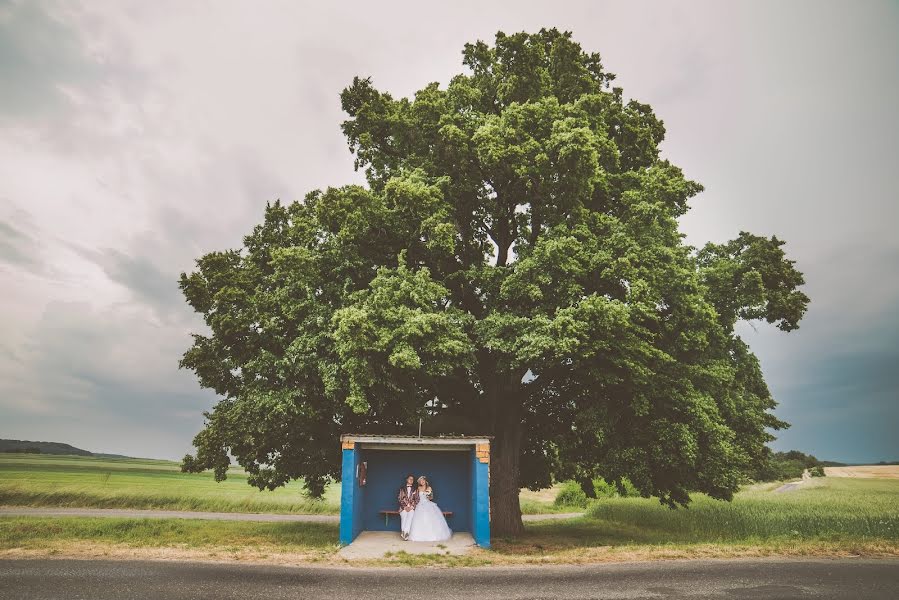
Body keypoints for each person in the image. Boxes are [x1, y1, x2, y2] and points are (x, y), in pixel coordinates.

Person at [407, 475, 452, 542]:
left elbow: (431, 498)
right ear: (419, 482)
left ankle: (432, 535)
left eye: (423, 480)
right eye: (420, 481)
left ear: (425, 481)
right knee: (419, 519)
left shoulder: (429, 488)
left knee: (430, 518)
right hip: (420, 504)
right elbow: (416, 497)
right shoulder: (418, 488)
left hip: (428, 503)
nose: (422, 482)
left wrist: (429, 495)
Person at [397, 474, 418, 540]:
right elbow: (400, 498)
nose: (411, 480)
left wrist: (411, 506)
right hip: (403, 507)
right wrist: (405, 507)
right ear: (407, 480)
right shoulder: (402, 488)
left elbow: (417, 499)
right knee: (404, 516)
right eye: (410, 479)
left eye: (412, 479)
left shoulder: (415, 489)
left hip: (411, 507)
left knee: (410, 516)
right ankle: (403, 531)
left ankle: (406, 533)